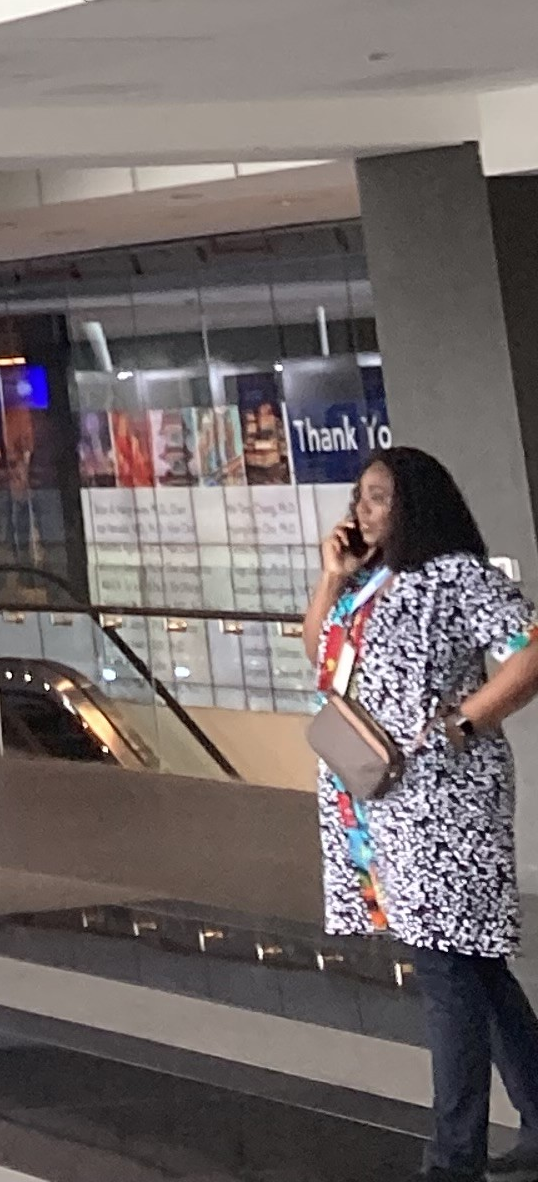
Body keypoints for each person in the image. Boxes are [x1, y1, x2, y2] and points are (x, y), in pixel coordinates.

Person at [306, 442, 538, 1175]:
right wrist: (330, 576)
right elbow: (318, 655)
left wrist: (463, 722)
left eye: (376, 496)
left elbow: (529, 651)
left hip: (446, 796)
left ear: (414, 501)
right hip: (381, 796)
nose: (361, 509)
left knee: (447, 970)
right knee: (471, 965)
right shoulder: (363, 582)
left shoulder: (456, 575)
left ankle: (454, 1157)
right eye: (359, 497)